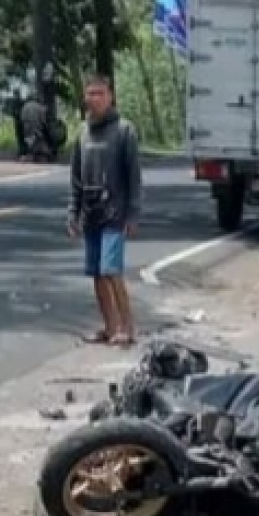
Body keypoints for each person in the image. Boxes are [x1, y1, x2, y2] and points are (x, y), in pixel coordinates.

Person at [67, 75, 143, 347]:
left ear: (110, 96)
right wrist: (73, 214)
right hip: (91, 215)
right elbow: (76, 178)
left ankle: (127, 327)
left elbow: (133, 177)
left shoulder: (124, 131)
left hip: (115, 214)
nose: (93, 99)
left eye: (99, 93)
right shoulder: (82, 133)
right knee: (97, 273)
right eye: (89, 94)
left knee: (111, 270)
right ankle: (109, 327)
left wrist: (133, 215)